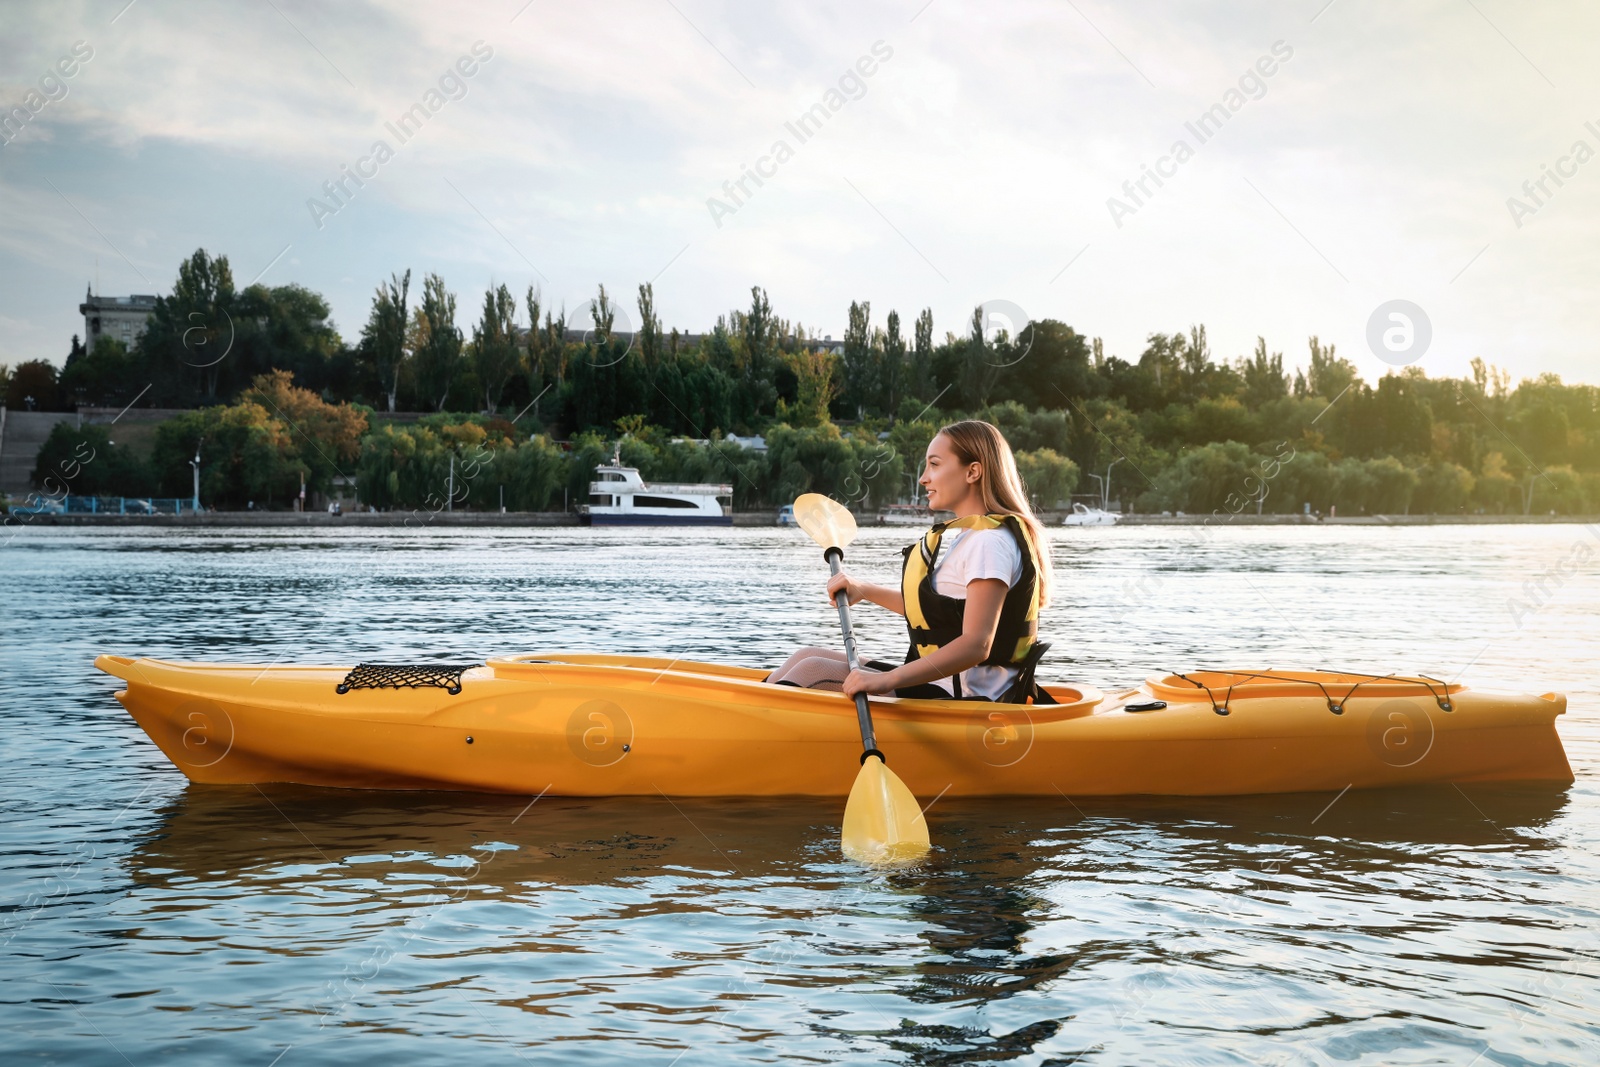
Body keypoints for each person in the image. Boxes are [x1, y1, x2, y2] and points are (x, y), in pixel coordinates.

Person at [767, 419, 1056, 704]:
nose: (923, 478)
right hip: (942, 685)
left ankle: (754, 733)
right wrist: (865, 590)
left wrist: (885, 681)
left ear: (973, 472)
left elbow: (976, 645)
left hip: (966, 699)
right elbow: (940, 617)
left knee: (809, 670)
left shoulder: (989, 542)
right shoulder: (972, 536)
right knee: (805, 656)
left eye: (935, 464)